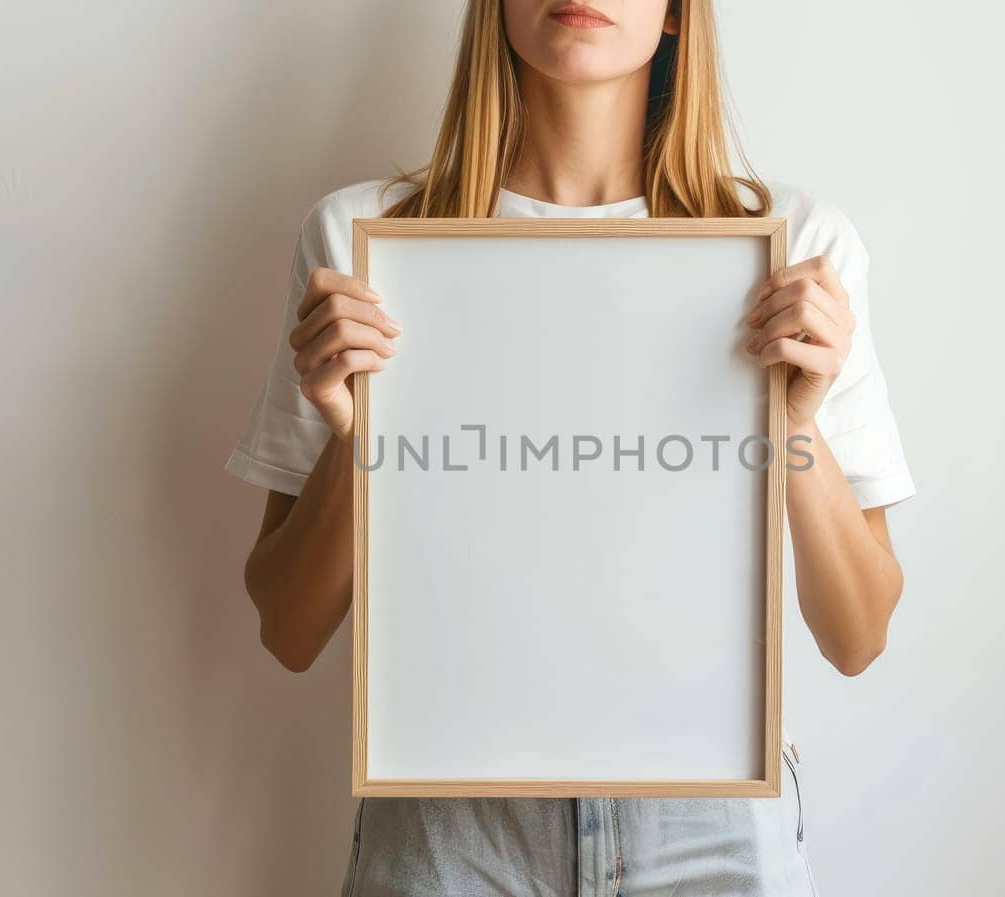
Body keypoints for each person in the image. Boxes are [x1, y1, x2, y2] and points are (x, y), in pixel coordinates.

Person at [224, 1, 915, 893]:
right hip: (448, 817)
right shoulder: (366, 245)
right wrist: (363, 444)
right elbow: (288, 628)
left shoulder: (791, 253)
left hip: (711, 817)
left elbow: (858, 634)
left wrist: (791, 426)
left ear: (674, 12)